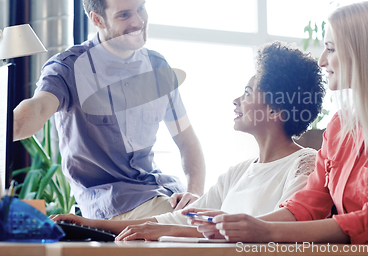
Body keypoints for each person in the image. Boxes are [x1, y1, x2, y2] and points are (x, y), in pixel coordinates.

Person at [187, 1, 368, 255]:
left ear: (363, 54)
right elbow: (306, 206)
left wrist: (263, 231)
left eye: (331, 49)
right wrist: (242, 227)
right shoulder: (339, 127)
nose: (322, 60)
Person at [50, 41, 326, 241]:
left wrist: (168, 230)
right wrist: (88, 223)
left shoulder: (304, 164)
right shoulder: (236, 174)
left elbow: (286, 232)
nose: (236, 100)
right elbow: (179, 219)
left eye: (248, 92)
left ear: (276, 109)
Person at [12, 0, 205, 220]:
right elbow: (39, 107)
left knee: (231, 216)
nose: (139, 21)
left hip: (163, 193)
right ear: (97, 19)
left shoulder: (158, 66)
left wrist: (194, 192)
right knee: (203, 230)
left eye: (141, 8)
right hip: (114, 203)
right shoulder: (68, 68)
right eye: (124, 15)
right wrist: (0, 129)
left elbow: (187, 141)